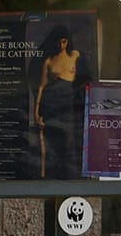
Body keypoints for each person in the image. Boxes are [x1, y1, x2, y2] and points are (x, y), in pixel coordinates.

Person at [33, 25, 85, 178]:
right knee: (52, 142)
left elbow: (84, 79)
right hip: (52, 104)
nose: (61, 44)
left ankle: (71, 177)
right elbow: (42, 86)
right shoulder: (49, 61)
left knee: (70, 142)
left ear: (67, 41)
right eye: (59, 41)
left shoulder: (75, 56)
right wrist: (36, 112)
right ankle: (51, 177)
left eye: (64, 41)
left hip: (70, 103)